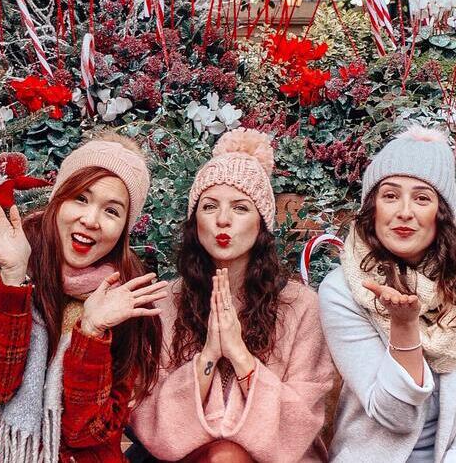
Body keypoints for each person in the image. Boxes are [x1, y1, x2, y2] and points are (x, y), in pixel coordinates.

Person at [0, 131, 168, 463]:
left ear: (125, 227)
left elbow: (84, 432)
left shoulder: (126, 296)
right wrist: (12, 282)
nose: (91, 220)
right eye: (81, 198)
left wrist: (92, 333)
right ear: (58, 199)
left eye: (112, 211)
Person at [131, 128, 336, 463]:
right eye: (210, 206)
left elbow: (299, 421)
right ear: (194, 221)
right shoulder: (164, 303)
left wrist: (240, 356)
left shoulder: (301, 307)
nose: (222, 220)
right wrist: (209, 355)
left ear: (261, 225)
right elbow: (149, 415)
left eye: (240, 208)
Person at [318, 126, 456, 463]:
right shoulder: (342, 291)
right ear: (373, 207)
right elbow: (395, 416)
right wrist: (404, 329)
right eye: (390, 195)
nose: (404, 212)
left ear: (441, 213)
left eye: (422, 198)